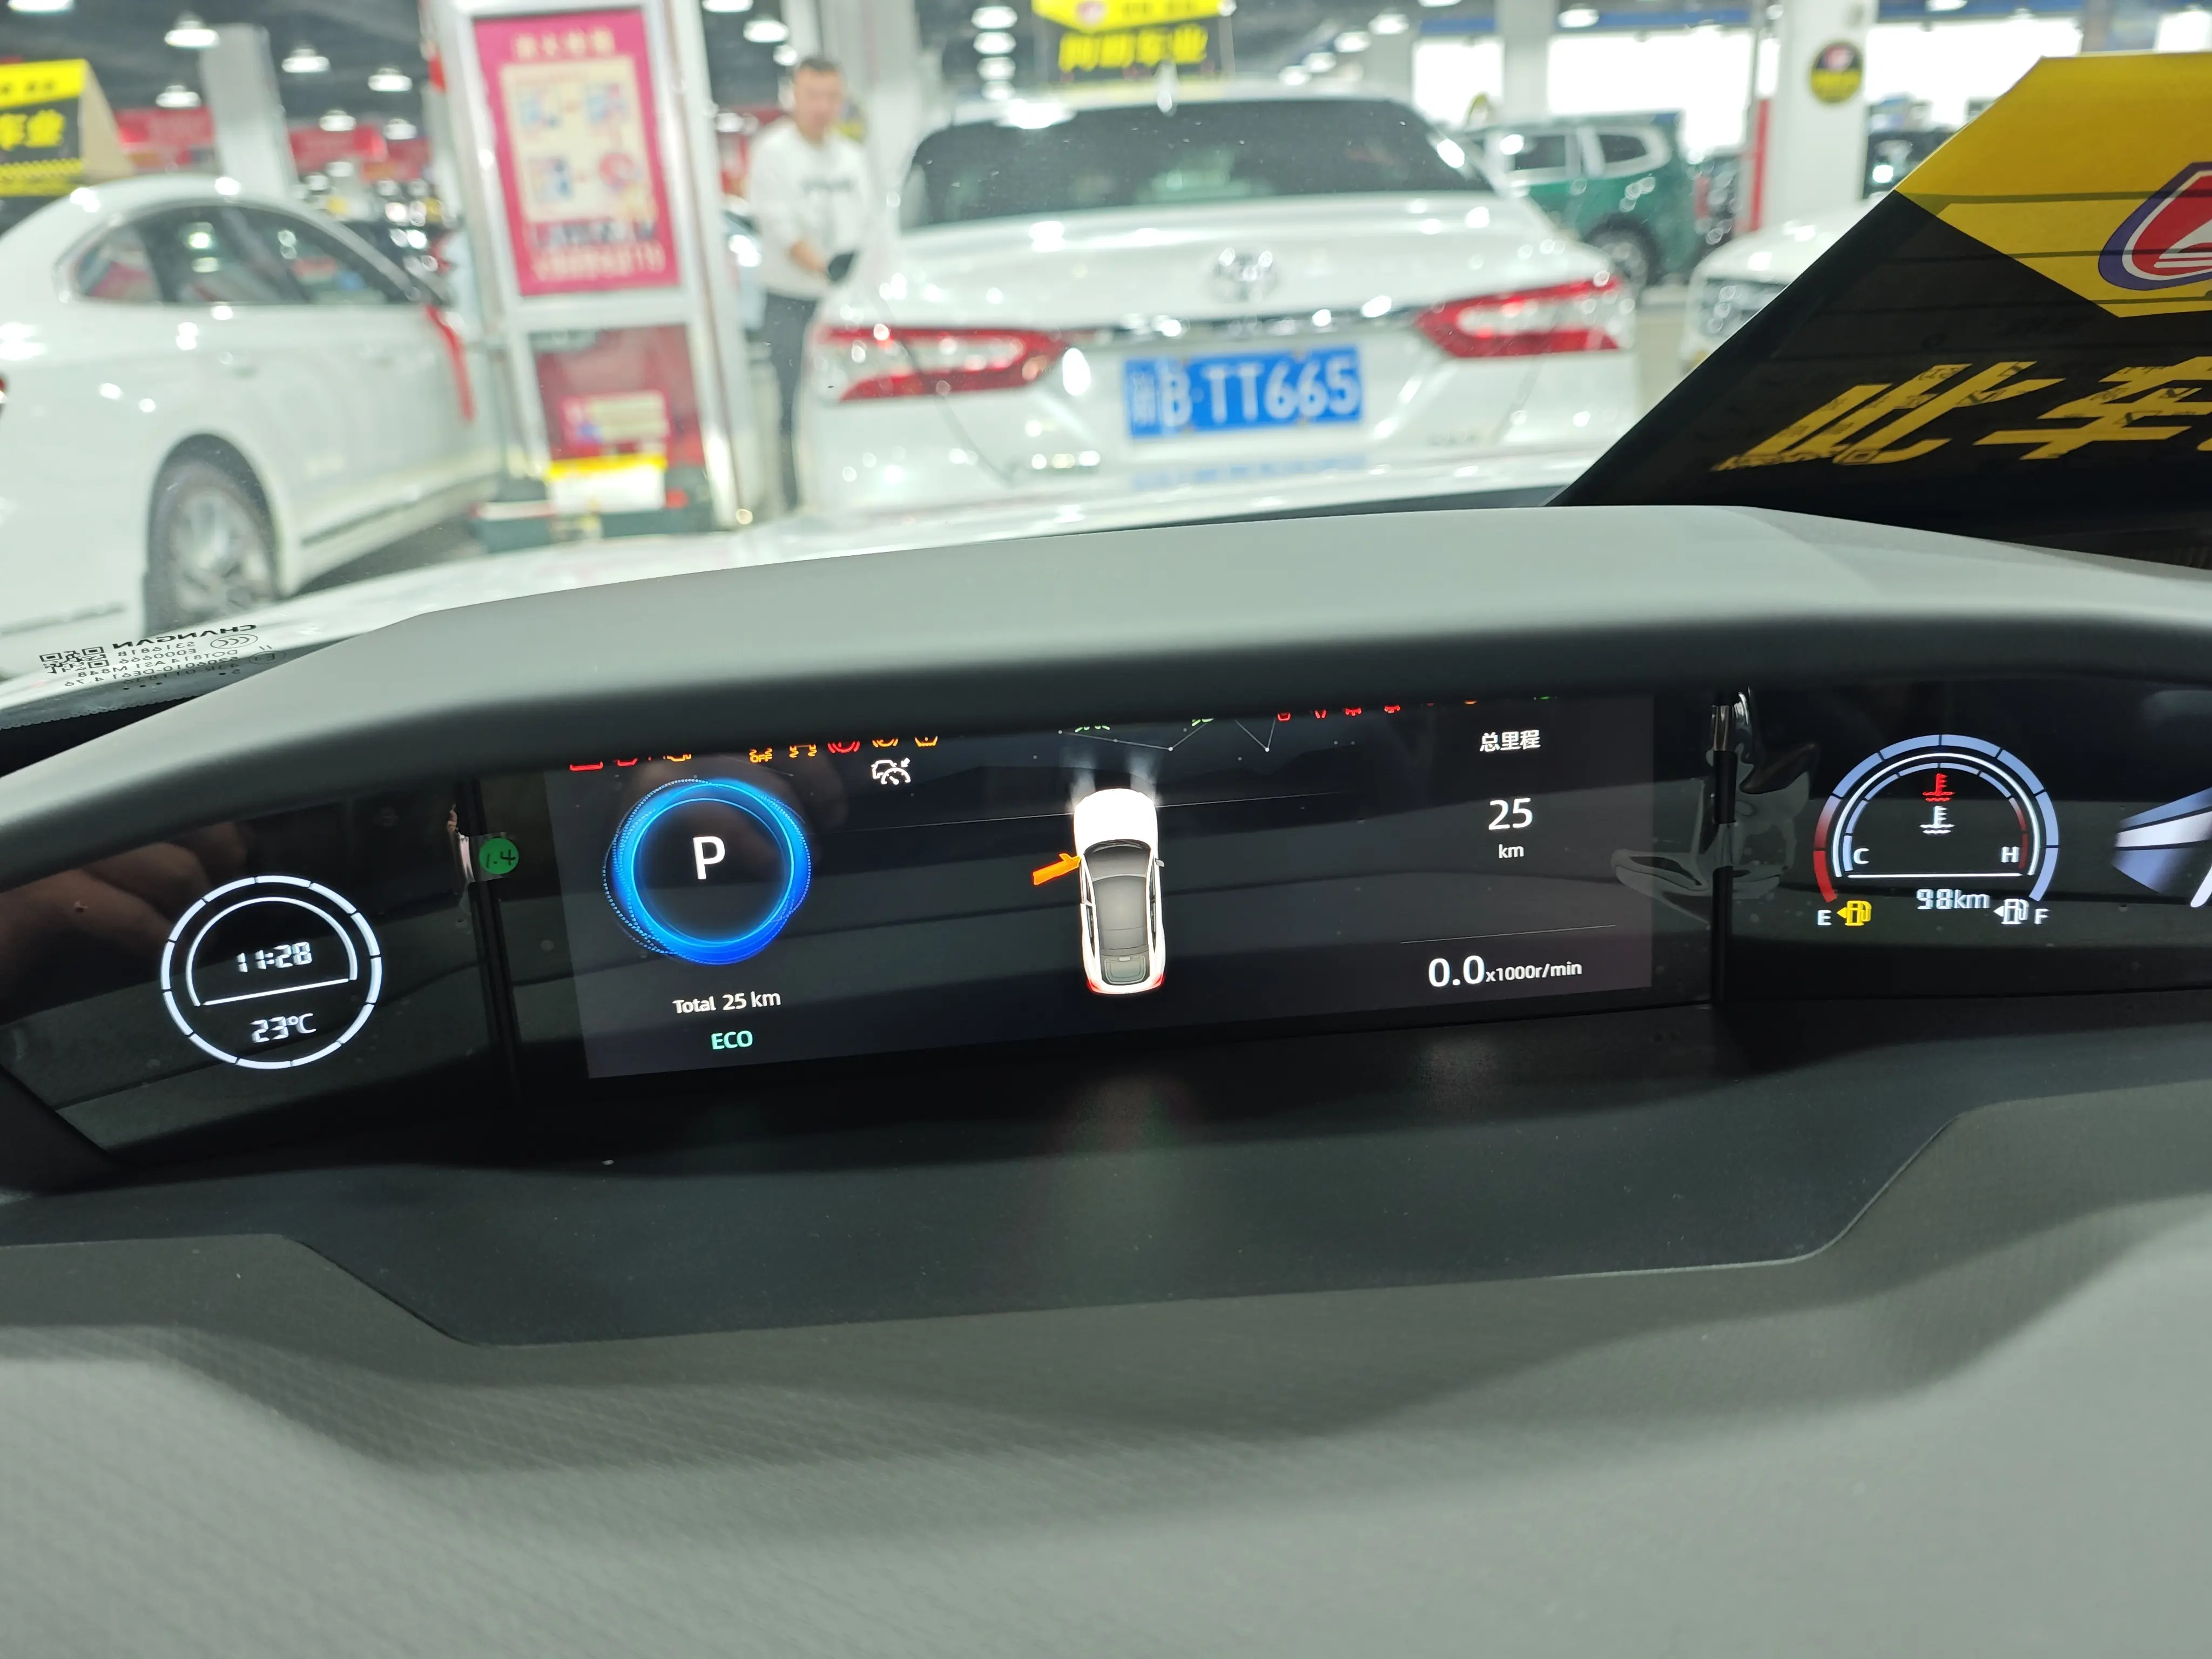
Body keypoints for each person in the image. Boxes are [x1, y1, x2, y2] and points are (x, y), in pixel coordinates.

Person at [747, 57, 873, 509]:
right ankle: (794, 499)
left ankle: (852, 490)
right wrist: (825, 269)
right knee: (792, 402)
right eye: (813, 96)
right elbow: (780, 228)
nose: (822, 106)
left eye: (831, 97)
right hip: (791, 302)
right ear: (794, 98)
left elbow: (868, 224)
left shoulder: (853, 159)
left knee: (851, 395)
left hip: (846, 303)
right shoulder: (772, 153)